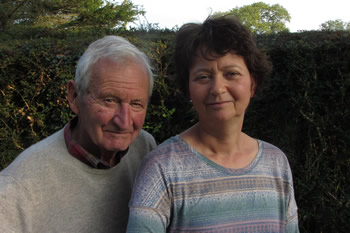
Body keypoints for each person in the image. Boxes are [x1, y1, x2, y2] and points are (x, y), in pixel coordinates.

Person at [127, 16, 299, 232]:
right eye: (203, 77)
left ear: (252, 84)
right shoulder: (162, 168)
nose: (218, 88)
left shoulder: (276, 164)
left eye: (231, 74)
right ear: (188, 88)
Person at [0, 35, 157, 232]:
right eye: (109, 100)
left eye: (136, 104)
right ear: (74, 97)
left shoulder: (144, 148)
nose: (123, 122)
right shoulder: (17, 187)